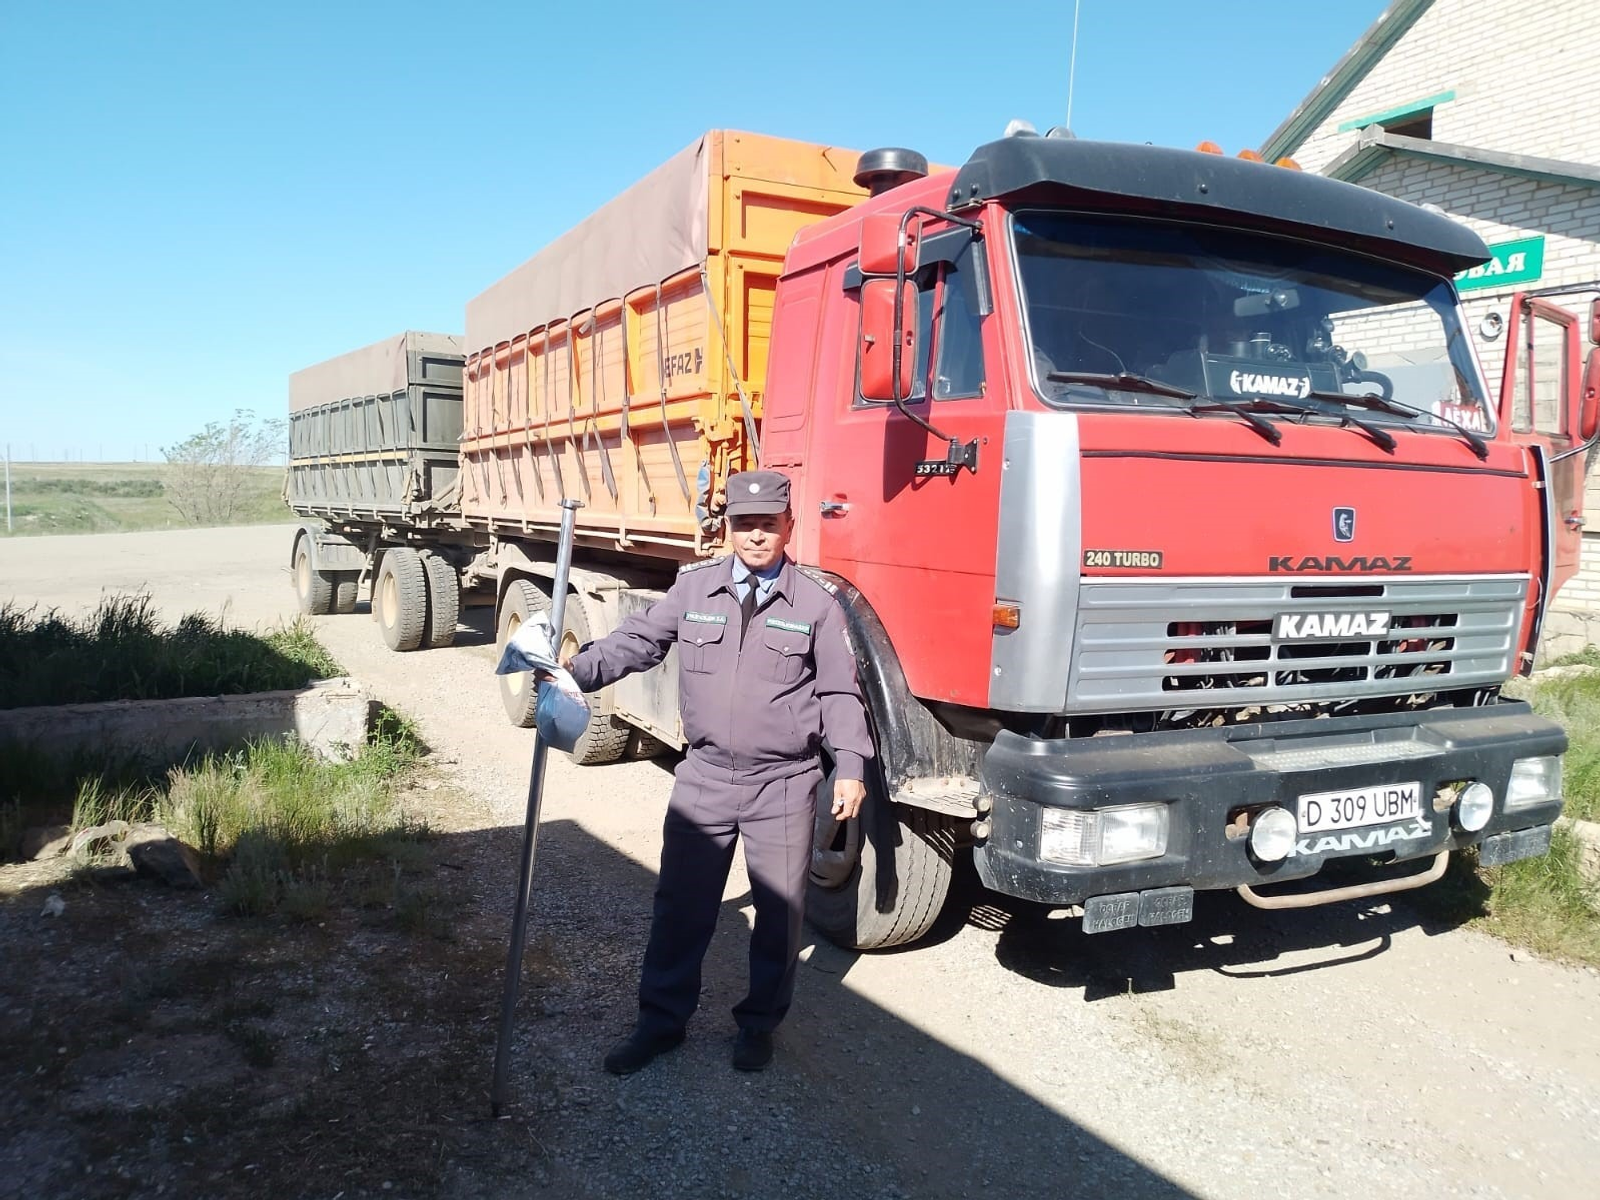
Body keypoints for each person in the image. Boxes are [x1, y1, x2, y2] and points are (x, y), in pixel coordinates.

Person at [563, 469, 872, 1074]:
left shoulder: (816, 605)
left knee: (780, 916)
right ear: (728, 527)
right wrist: (576, 669)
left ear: (789, 526)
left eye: (767, 524)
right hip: (703, 777)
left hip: (784, 784)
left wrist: (852, 765)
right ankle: (661, 1022)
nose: (755, 535)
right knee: (682, 906)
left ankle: (758, 1024)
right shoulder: (694, 589)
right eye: (744, 524)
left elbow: (840, 692)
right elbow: (638, 640)